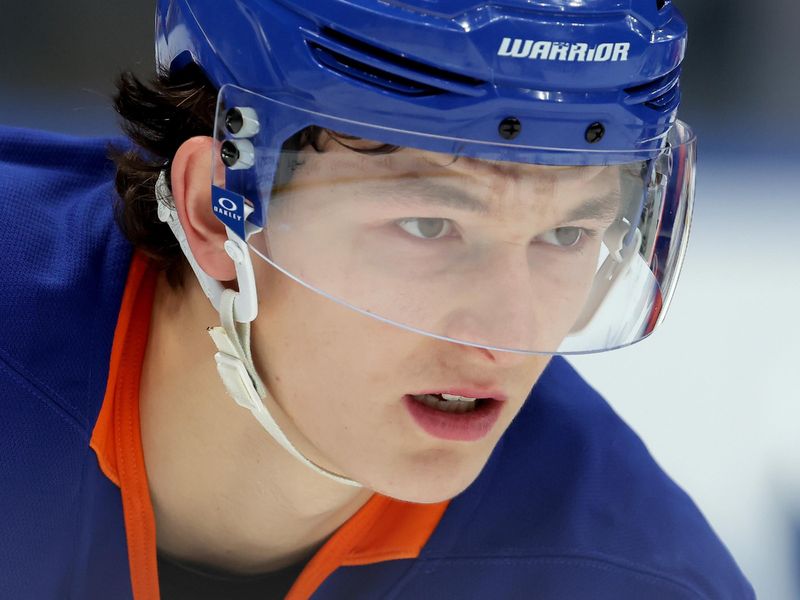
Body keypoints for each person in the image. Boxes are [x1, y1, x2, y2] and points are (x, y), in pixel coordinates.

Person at [0, 0, 755, 598]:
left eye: (567, 235)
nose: (507, 336)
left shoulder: (632, 575)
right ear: (213, 210)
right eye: (429, 225)